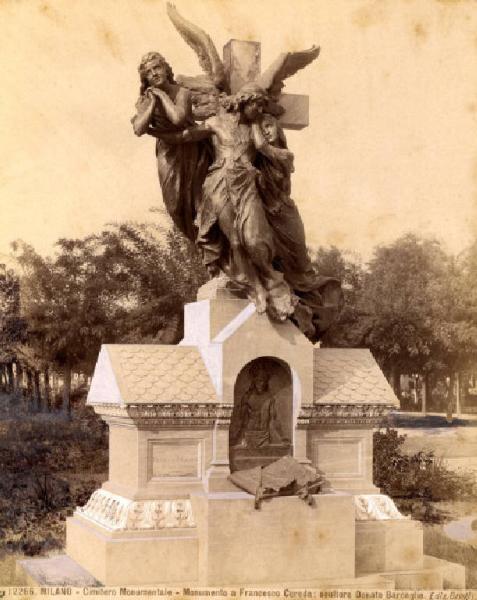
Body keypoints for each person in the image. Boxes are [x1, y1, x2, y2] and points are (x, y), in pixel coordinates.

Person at [131, 52, 210, 242]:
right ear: (145, 78)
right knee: (174, 205)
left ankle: (205, 237)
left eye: (157, 68)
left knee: (195, 198)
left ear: (166, 69)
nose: (154, 74)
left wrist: (161, 96)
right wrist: (152, 103)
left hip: (191, 149)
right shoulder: (144, 100)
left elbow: (178, 118)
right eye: (149, 72)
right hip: (167, 151)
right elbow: (139, 128)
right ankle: (196, 240)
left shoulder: (182, 92)